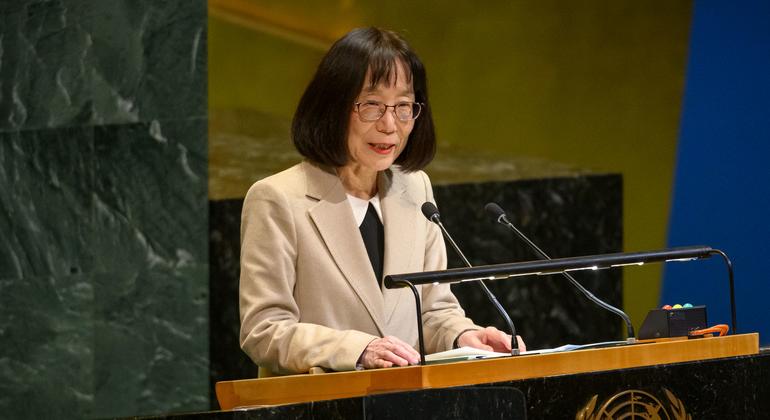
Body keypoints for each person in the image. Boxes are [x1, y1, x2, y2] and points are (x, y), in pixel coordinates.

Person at [239, 27, 525, 375]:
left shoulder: (415, 189)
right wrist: (359, 350)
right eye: (372, 105)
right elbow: (264, 330)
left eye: (404, 106)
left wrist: (464, 336)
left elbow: (434, 311)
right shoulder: (277, 199)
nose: (390, 125)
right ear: (333, 107)